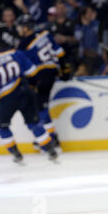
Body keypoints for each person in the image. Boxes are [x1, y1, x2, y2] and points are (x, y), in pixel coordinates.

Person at [0, 34, 58, 163]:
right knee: (34, 123)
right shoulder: (15, 53)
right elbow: (34, 74)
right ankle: (50, 149)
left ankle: (16, 153)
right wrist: (31, 88)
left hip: (7, 100)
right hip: (26, 93)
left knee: (1, 125)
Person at [16, 14, 69, 149]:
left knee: (40, 107)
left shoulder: (23, 44)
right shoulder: (45, 34)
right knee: (41, 105)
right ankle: (50, 137)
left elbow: (25, 67)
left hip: (41, 76)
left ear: (26, 28)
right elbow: (60, 52)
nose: (19, 29)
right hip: (52, 72)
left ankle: (51, 139)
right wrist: (65, 70)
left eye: (21, 27)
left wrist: (30, 83)